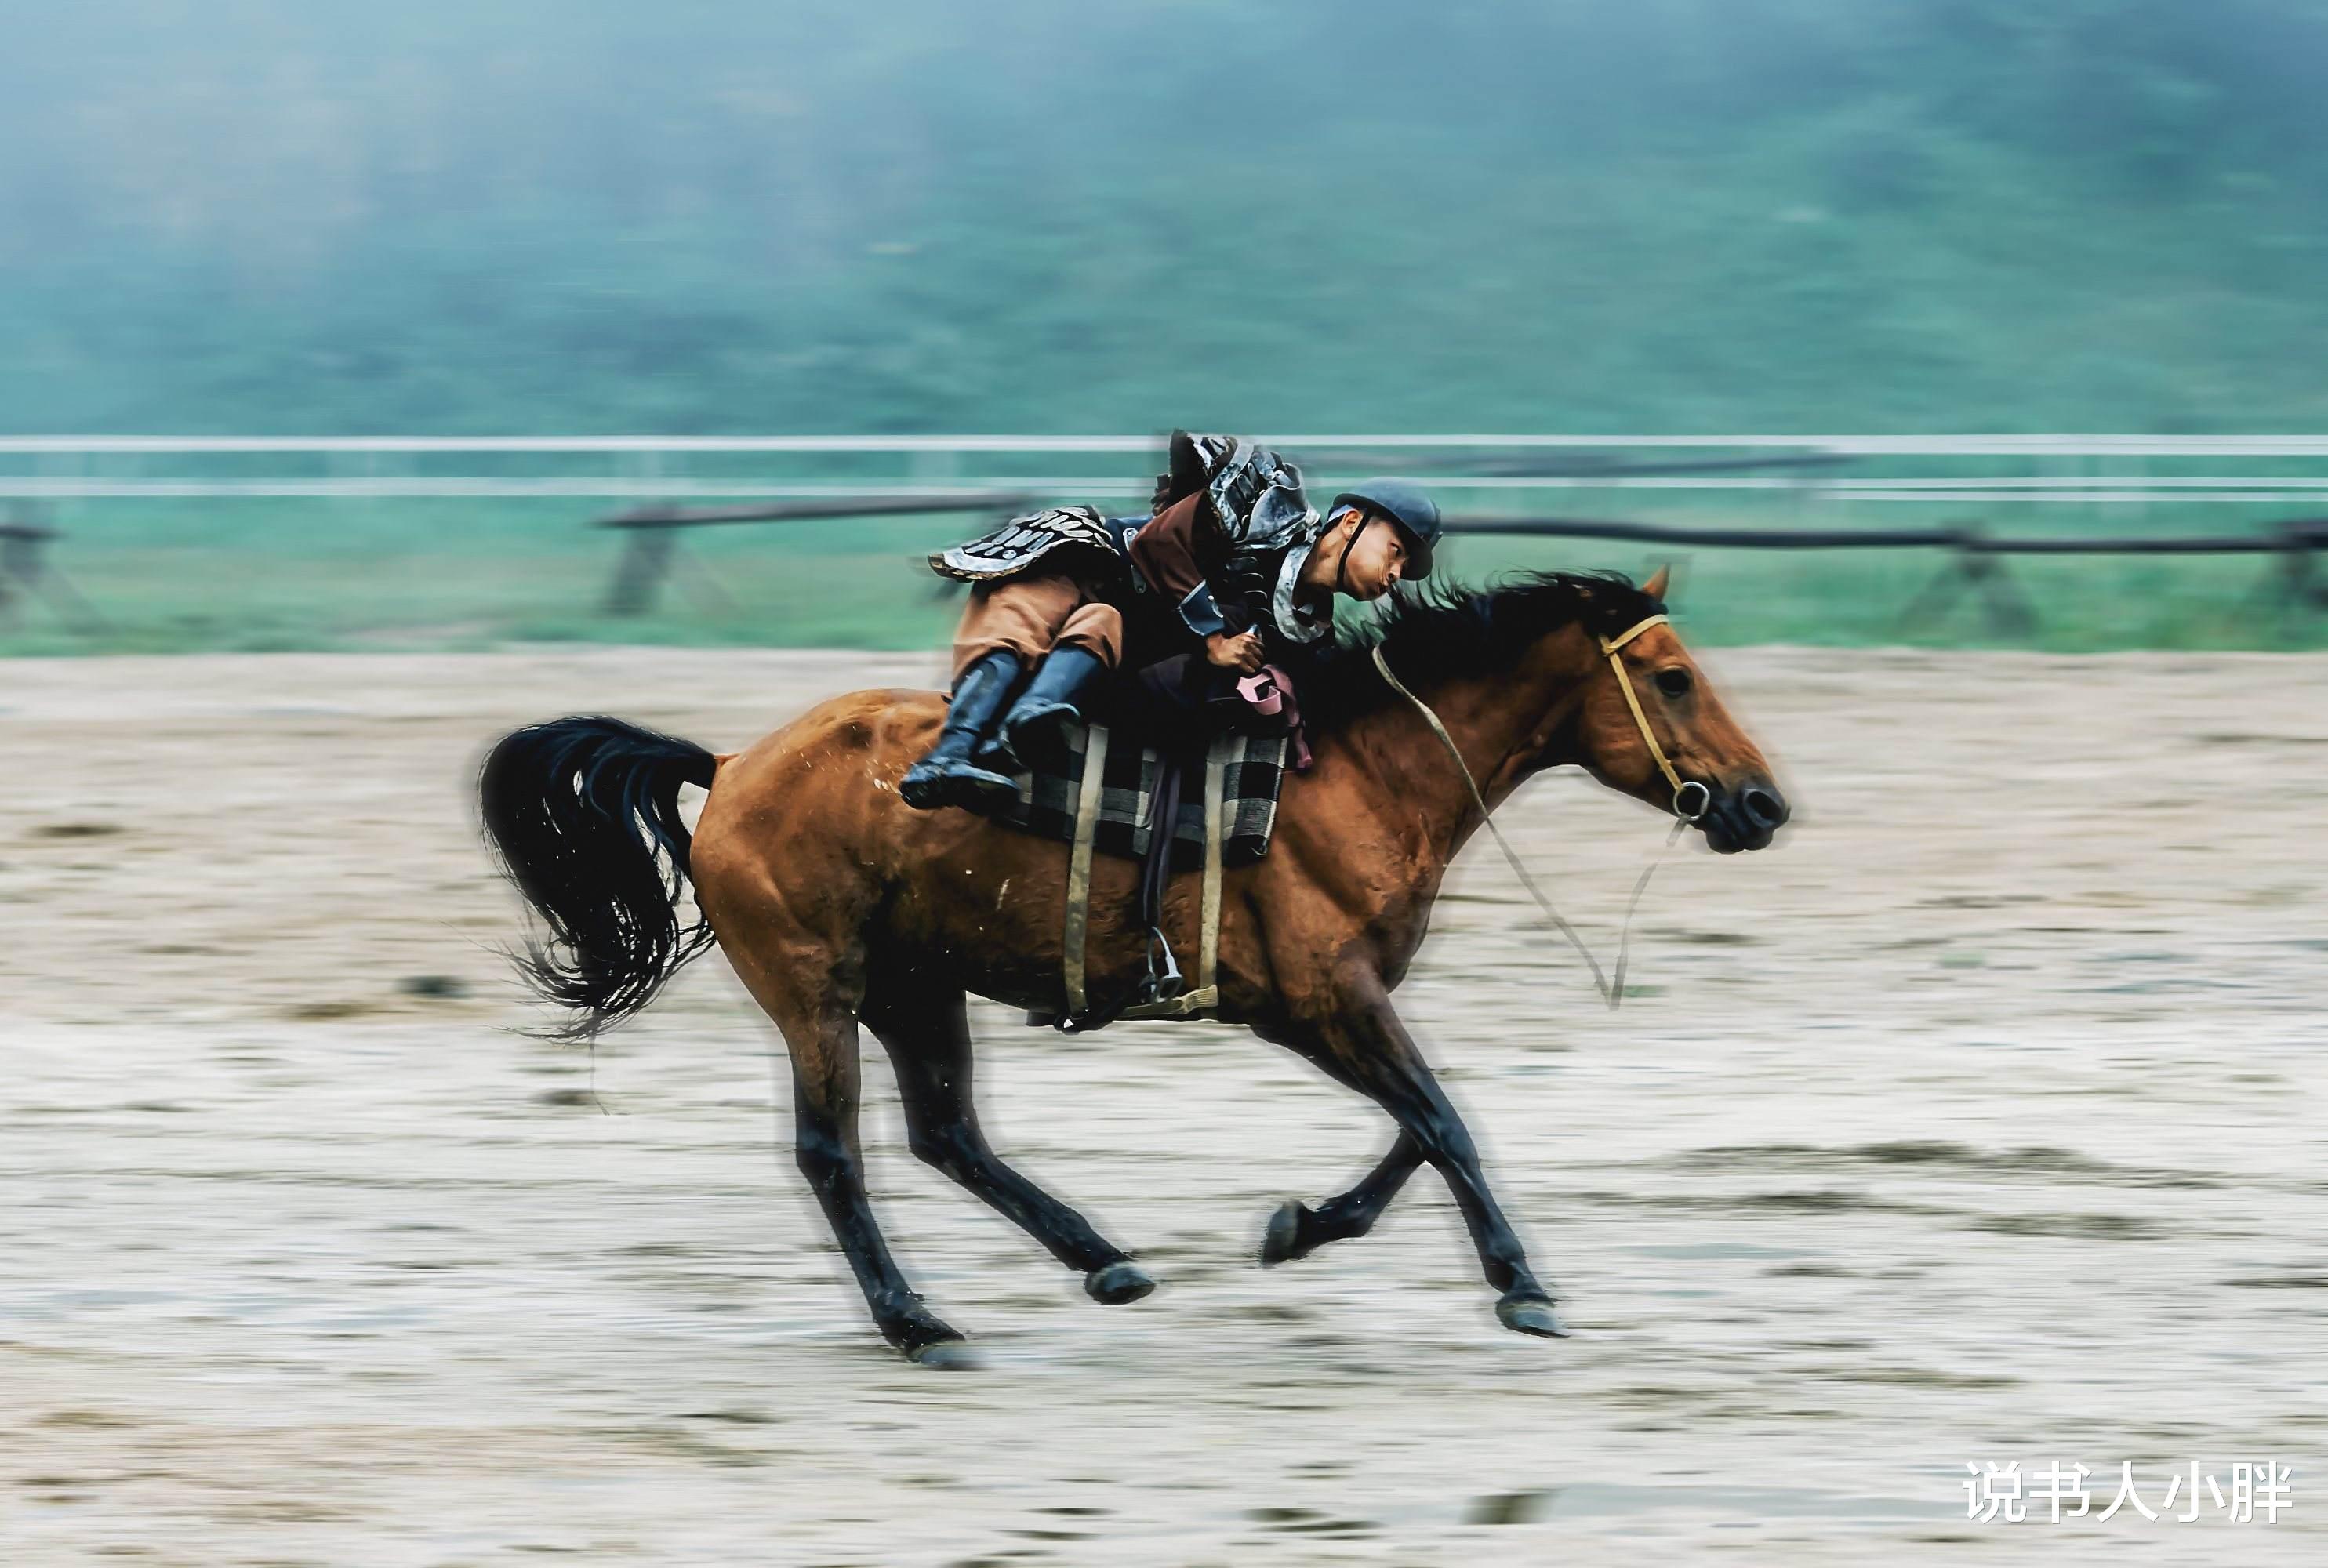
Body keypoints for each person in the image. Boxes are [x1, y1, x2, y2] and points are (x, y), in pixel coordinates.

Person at [903, 433, 1443, 811]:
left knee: (1100, 626)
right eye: (1394, 551)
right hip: (1081, 562)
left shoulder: (1310, 632)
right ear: (1350, 522)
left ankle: (1016, 739)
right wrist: (1213, 638)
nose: (1394, 573)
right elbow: (1156, 543)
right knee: (1022, 621)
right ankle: (947, 756)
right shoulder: (1264, 502)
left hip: (1106, 630)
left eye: (1402, 567)